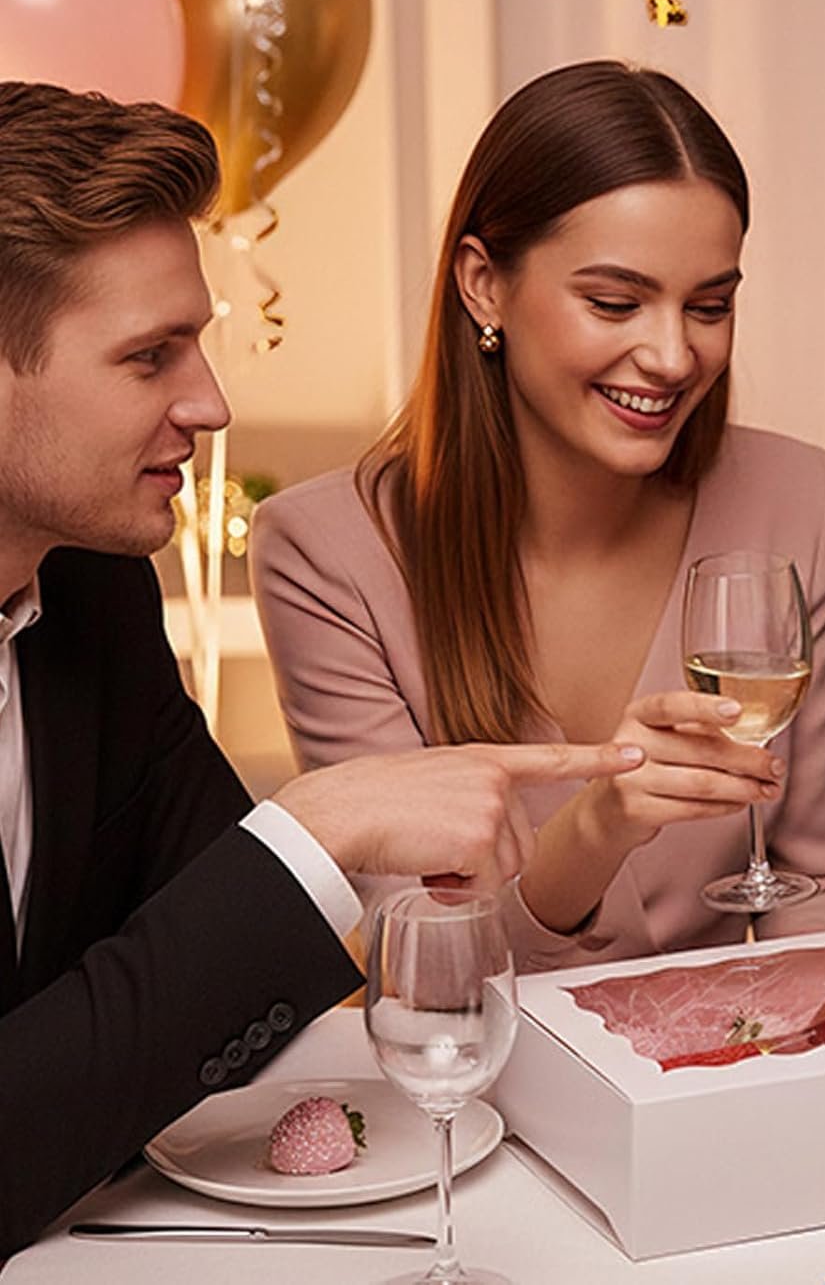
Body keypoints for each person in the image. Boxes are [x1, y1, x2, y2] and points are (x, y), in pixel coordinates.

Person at [0, 81, 649, 1259]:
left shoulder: (92, 591)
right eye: (150, 357)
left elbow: (203, 950)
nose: (210, 401)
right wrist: (319, 826)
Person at [252, 60, 825, 970]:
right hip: (481, 1099)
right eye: (614, 302)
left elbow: (820, 887)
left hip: (738, 1074)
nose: (671, 355)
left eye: (710, 305)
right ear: (483, 285)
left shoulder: (794, 494)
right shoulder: (325, 553)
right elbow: (421, 957)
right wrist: (598, 829)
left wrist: (797, 1079)